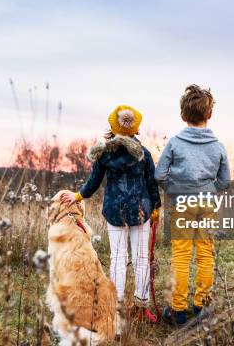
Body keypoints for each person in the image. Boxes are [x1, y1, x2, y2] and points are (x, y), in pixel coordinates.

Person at [61, 105, 161, 319]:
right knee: (142, 257)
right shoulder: (145, 155)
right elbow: (152, 183)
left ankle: (116, 306)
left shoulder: (104, 154)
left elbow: (93, 182)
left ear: (112, 127)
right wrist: (157, 207)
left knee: (117, 258)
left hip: (115, 211)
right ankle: (142, 306)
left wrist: (78, 196)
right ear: (135, 128)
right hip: (141, 209)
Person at [155, 85, 230, 325]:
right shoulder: (218, 145)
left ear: (183, 116)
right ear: (209, 115)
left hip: (181, 203)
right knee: (206, 253)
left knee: (181, 255)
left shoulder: (175, 143)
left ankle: (178, 311)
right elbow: (225, 181)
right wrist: (209, 191)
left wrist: (174, 190)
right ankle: (201, 308)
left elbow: (159, 175)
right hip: (207, 203)